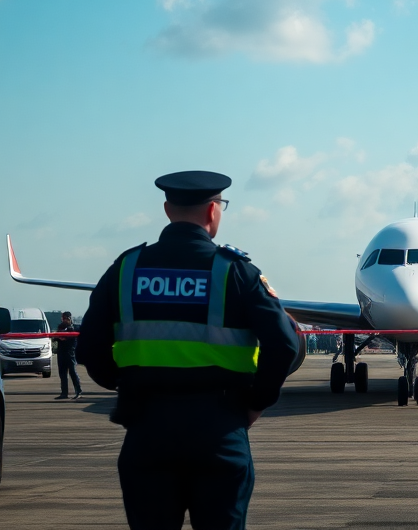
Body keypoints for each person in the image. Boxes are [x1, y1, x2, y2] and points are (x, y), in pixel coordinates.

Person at [78, 170, 298, 530]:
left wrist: (126, 385)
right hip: (220, 430)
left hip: (147, 429)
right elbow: (285, 343)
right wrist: (255, 403)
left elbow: (89, 346)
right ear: (213, 211)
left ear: (167, 210)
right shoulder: (236, 272)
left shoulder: (126, 269)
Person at [54, 310, 83, 400]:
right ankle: (64, 393)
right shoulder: (61, 327)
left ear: (69, 318)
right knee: (62, 373)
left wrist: (64, 337)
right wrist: (59, 337)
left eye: (65, 318)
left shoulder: (74, 327)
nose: (63, 320)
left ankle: (78, 391)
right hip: (61, 352)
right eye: (63, 318)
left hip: (70, 353)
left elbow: (73, 339)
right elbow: (56, 337)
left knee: (72, 372)